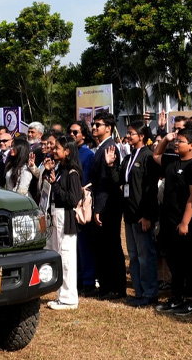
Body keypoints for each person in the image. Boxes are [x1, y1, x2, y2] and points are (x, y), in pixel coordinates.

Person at [106, 121, 159, 307]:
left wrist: (147, 215)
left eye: (131, 133)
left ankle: (150, 293)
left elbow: (151, 190)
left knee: (146, 256)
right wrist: (111, 165)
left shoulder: (148, 157)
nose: (128, 136)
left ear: (142, 136)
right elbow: (119, 181)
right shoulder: (128, 158)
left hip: (141, 215)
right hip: (129, 215)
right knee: (135, 256)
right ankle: (139, 291)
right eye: (127, 133)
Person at [153, 128, 192, 314]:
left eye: (180, 141)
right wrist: (166, 139)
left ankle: (191, 299)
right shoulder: (171, 160)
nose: (177, 143)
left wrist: (185, 222)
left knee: (189, 260)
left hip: (186, 221)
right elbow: (156, 154)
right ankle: (176, 297)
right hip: (168, 220)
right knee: (174, 260)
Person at [89, 112, 126, 300]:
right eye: (93, 124)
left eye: (98, 124)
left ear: (108, 128)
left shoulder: (110, 148)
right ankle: (106, 285)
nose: (94, 127)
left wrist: (99, 208)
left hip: (108, 204)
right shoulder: (101, 146)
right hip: (102, 200)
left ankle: (115, 287)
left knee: (111, 246)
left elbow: (106, 182)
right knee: (104, 247)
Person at [44, 136, 83, 310]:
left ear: (67, 151)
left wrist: (56, 185)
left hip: (65, 219)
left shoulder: (72, 172)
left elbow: (73, 199)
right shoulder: (60, 169)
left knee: (66, 257)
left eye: (57, 148)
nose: (54, 151)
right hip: (55, 214)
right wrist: (49, 174)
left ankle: (69, 298)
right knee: (58, 255)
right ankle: (61, 295)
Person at [69, 120, 97, 295]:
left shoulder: (87, 155)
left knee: (84, 245)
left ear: (83, 135)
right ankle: (77, 279)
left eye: (75, 132)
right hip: (69, 202)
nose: (71, 134)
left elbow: (86, 181)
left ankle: (88, 281)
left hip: (81, 203)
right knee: (74, 245)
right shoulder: (69, 153)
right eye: (70, 132)